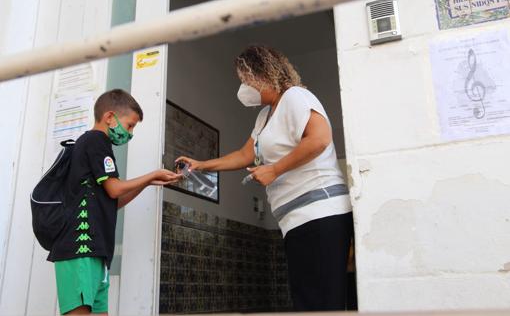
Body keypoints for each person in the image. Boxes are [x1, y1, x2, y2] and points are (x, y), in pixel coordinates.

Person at [176, 45, 353, 311]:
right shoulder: (263, 117)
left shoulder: (295, 97)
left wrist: (275, 169)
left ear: (264, 75)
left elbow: (319, 139)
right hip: (295, 220)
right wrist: (201, 165)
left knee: (322, 302)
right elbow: (245, 154)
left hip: (320, 212)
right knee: (308, 301)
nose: (243, 88)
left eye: (246, 81)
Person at [48, 89, 181, 315]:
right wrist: (151, 175)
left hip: (96, 251)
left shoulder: (97, 145)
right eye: (130, 126)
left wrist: (148, 183)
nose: (129, 134)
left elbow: (113, 200)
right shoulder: (96, 140)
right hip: (80, 249)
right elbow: (114, 188)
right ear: (110, 117)